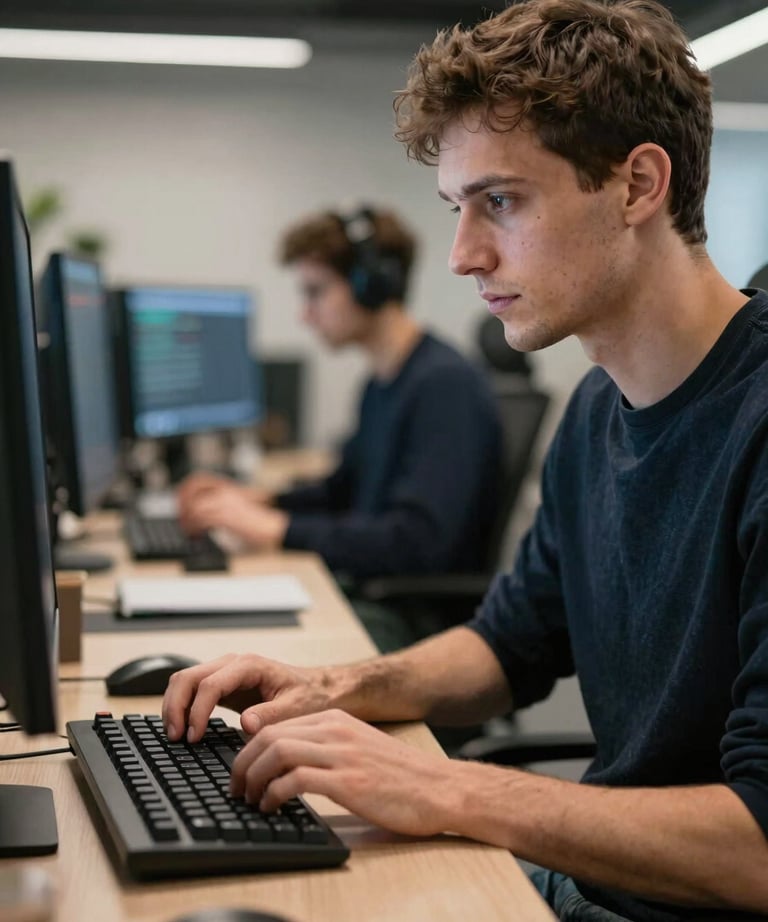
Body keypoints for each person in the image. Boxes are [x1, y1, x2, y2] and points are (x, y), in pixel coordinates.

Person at [163, 1, 768, 918]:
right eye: (457, 208)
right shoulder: (597, 408)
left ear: (639, 185)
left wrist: (450, 792)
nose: (461, 255)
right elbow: (507, 647)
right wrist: (336, 686)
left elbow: (759, 849)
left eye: (502, 201)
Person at [177, 205, 502, 651]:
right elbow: (345, 489)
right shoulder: (384, 380)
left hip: (413, 625)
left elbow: (417, 543)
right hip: (370, 594)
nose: (305, 315)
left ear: (371, 287)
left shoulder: (443, 387)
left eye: (315, 292)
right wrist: (259, 500)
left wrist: (277, 528)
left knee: (244, 647)